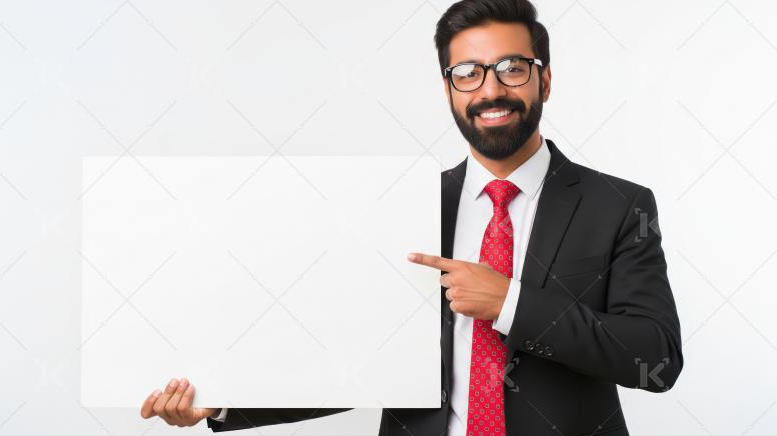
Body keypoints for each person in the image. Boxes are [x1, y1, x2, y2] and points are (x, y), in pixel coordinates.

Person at [140, 0, 682, 434]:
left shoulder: (619, 205)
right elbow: (351, 361)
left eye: (512, 68)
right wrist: (220, 405)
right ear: (448, 88)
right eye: (468, 72)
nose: (490, 89)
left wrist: (510, 302)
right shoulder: (401, 206)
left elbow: (654, 357)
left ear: (545, 80)